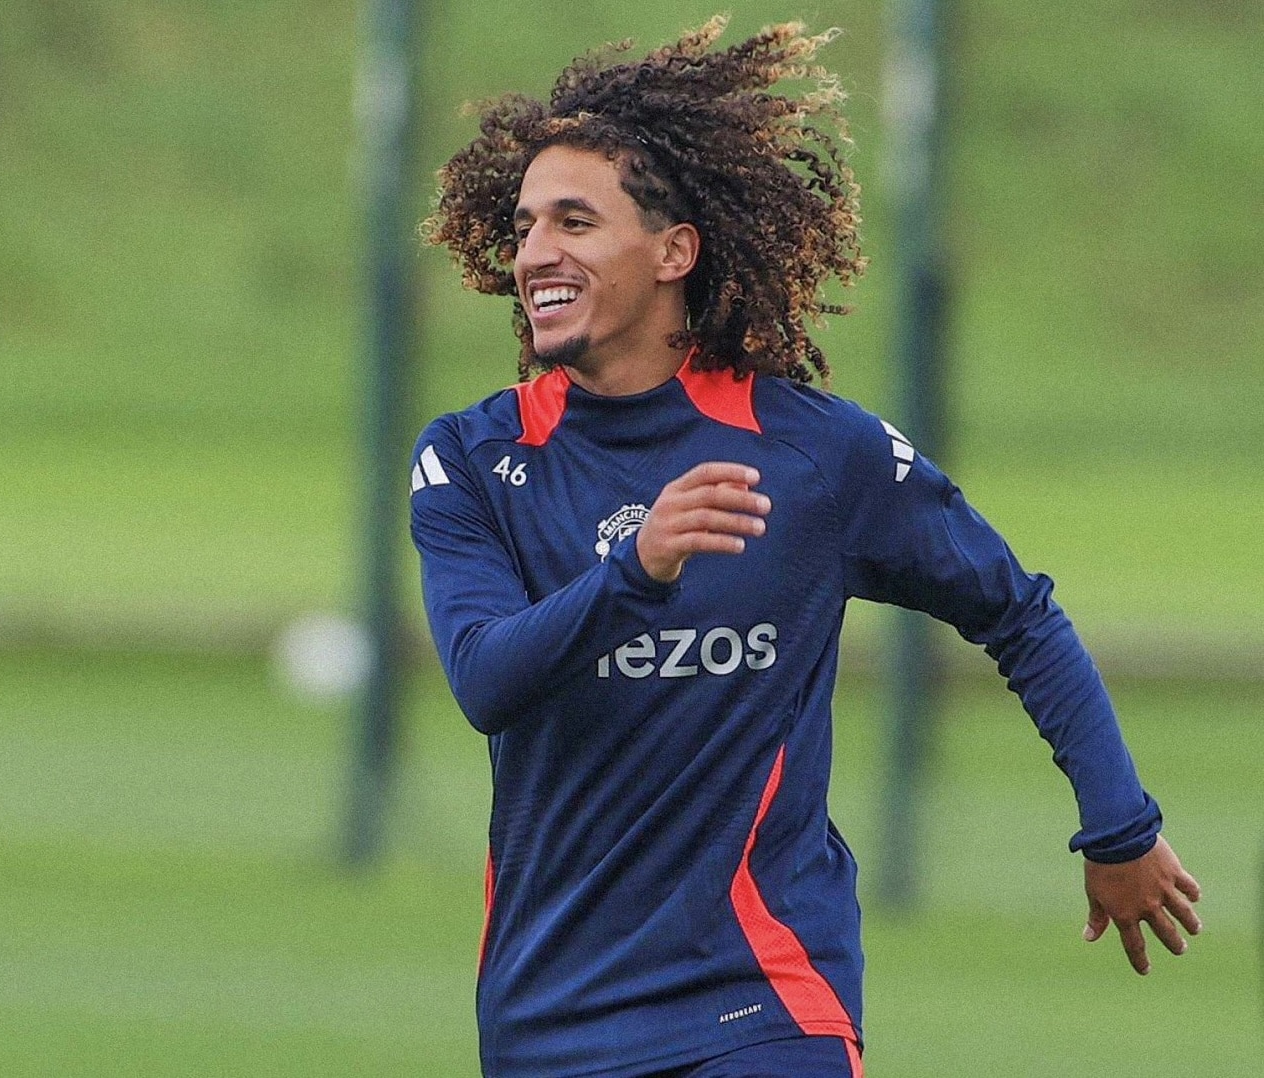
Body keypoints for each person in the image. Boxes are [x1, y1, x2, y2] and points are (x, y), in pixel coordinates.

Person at [409, 18, 1202, 1078]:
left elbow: (1016, 611)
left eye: (574, 221)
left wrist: (1120, 824)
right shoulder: (471, 458)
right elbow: (484, 679)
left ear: (674, 252)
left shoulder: (815, 456)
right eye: (524, 227)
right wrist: (635, 571)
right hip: (551, 1018)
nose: (535, 253)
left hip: (766, 997)